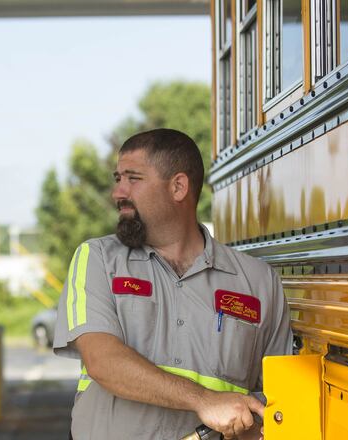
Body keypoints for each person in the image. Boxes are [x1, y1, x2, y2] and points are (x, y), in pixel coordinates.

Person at [53, 128, 292, 439]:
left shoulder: (260, 283)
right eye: (117, 179)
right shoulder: (98, 259)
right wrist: (204, 400)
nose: (118, 192)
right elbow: (103, 361)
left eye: (133, 179)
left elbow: (276, 401)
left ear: (178, 186)